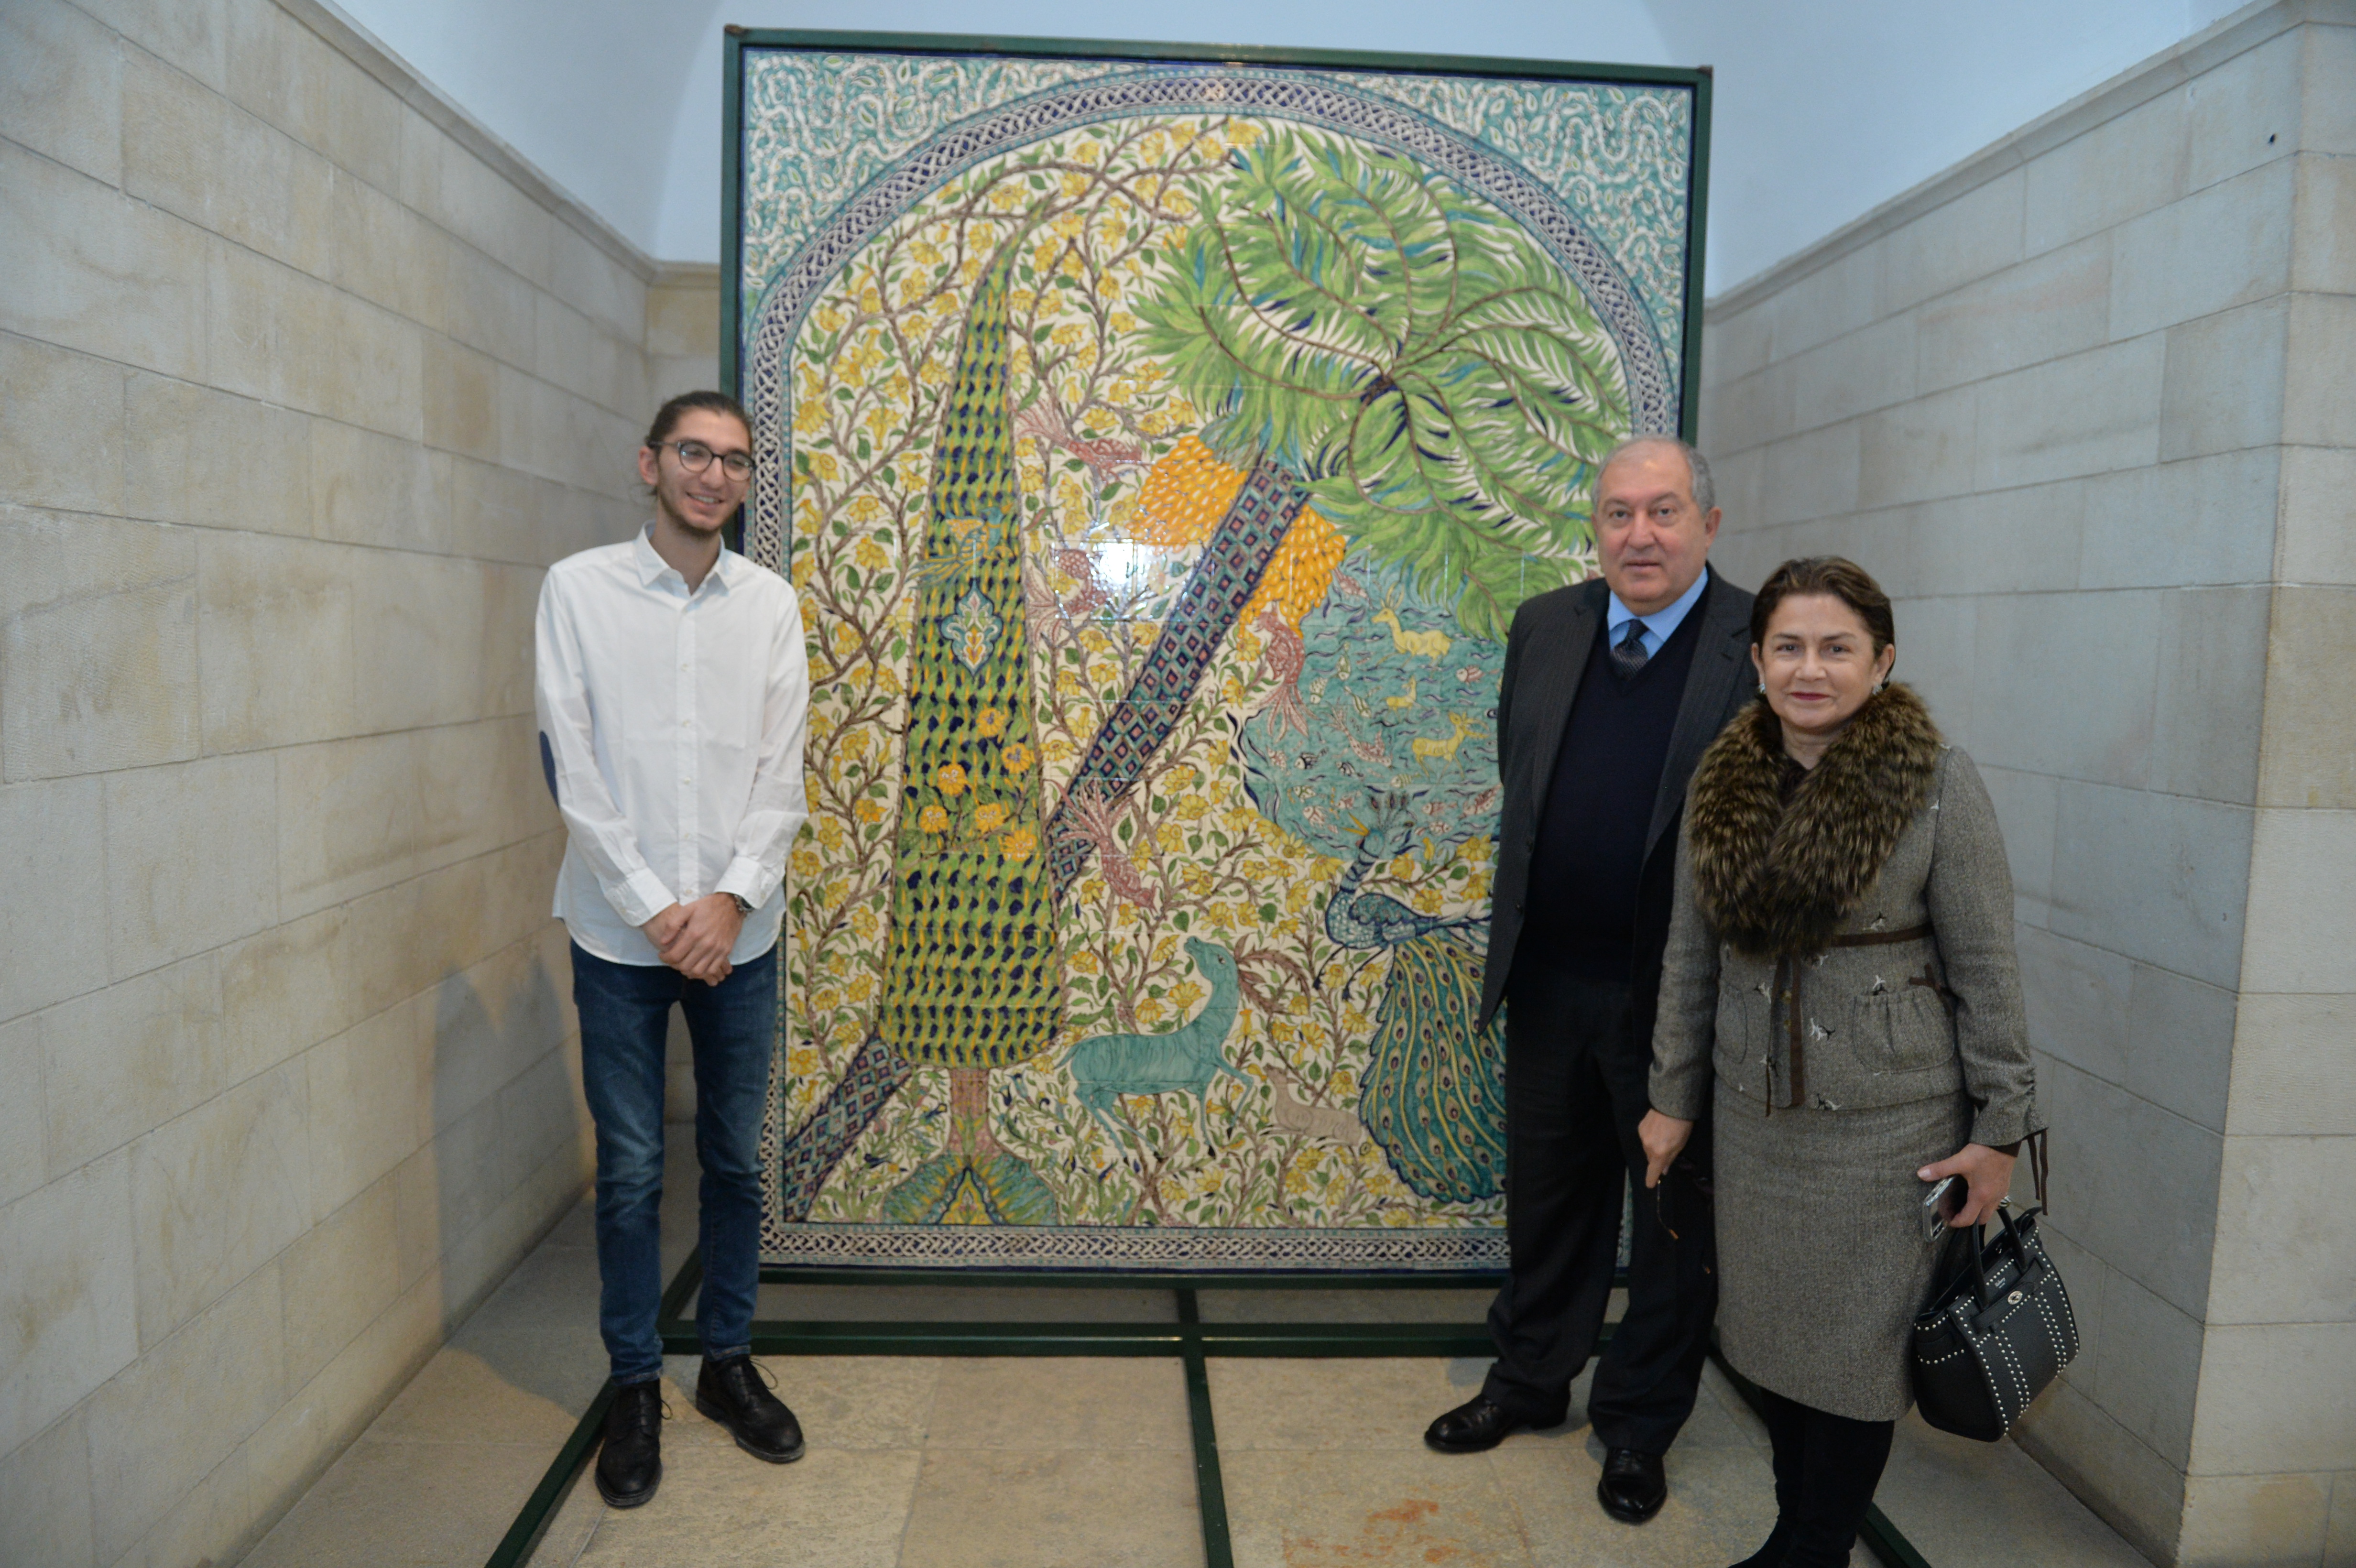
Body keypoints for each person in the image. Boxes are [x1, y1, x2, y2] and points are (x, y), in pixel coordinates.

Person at [1639, 556, 2041, 1568]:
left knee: (1854, 1367)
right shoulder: (1720, 780)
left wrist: (1999, 1133)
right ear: (1757, 660)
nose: (1808, 669)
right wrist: (1670, 1099)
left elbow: (1987, 968)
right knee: (1771, 1346)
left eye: (1835, 647)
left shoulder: (1936, 781)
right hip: (1755, 1122)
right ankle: (1797, 1529)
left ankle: (1811, 1547)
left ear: (1882, 660)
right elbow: (1690, 956)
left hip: (1888, 1133)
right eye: (1788, 646)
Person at [1424, 436, 1755, 1526]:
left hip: (1678, 1003)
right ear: (1596, 528)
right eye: (1619, 513)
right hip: (1548, 981)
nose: (1639, 535)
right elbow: (1523, 775)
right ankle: (1528, 1382)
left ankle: (1637, 1426)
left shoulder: (1756, 641)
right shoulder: (1546, 626)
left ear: (1709, 523)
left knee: (1671, 1231)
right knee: (1549, 1204)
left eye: (1664, 511)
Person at [534, 390, 812, 1508]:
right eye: (694, 452)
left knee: (735, 1161)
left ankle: (728, 1361)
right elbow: (572, 767)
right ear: (649, 463)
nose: (714, 474)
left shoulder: (770, 605)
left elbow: (782, 772)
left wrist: (730, 902)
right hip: (619, 935)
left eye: (734, 460)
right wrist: (658, 909)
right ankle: (635, 1382)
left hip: (742, 933)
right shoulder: (578, 590)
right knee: (634, 1170)